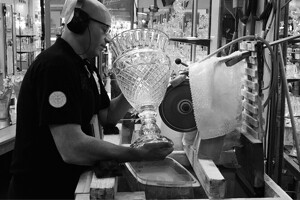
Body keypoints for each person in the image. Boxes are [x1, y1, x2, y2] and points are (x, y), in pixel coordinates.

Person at [8, 0, 173, 199]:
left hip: (67, 183)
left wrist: (138, 85)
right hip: (41, 189)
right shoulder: (55, 66)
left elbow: (108, 115)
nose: (108, 39)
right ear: (79, 22)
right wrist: (138, 154)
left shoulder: (84, 66)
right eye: (104, 30)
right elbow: (72, 147)